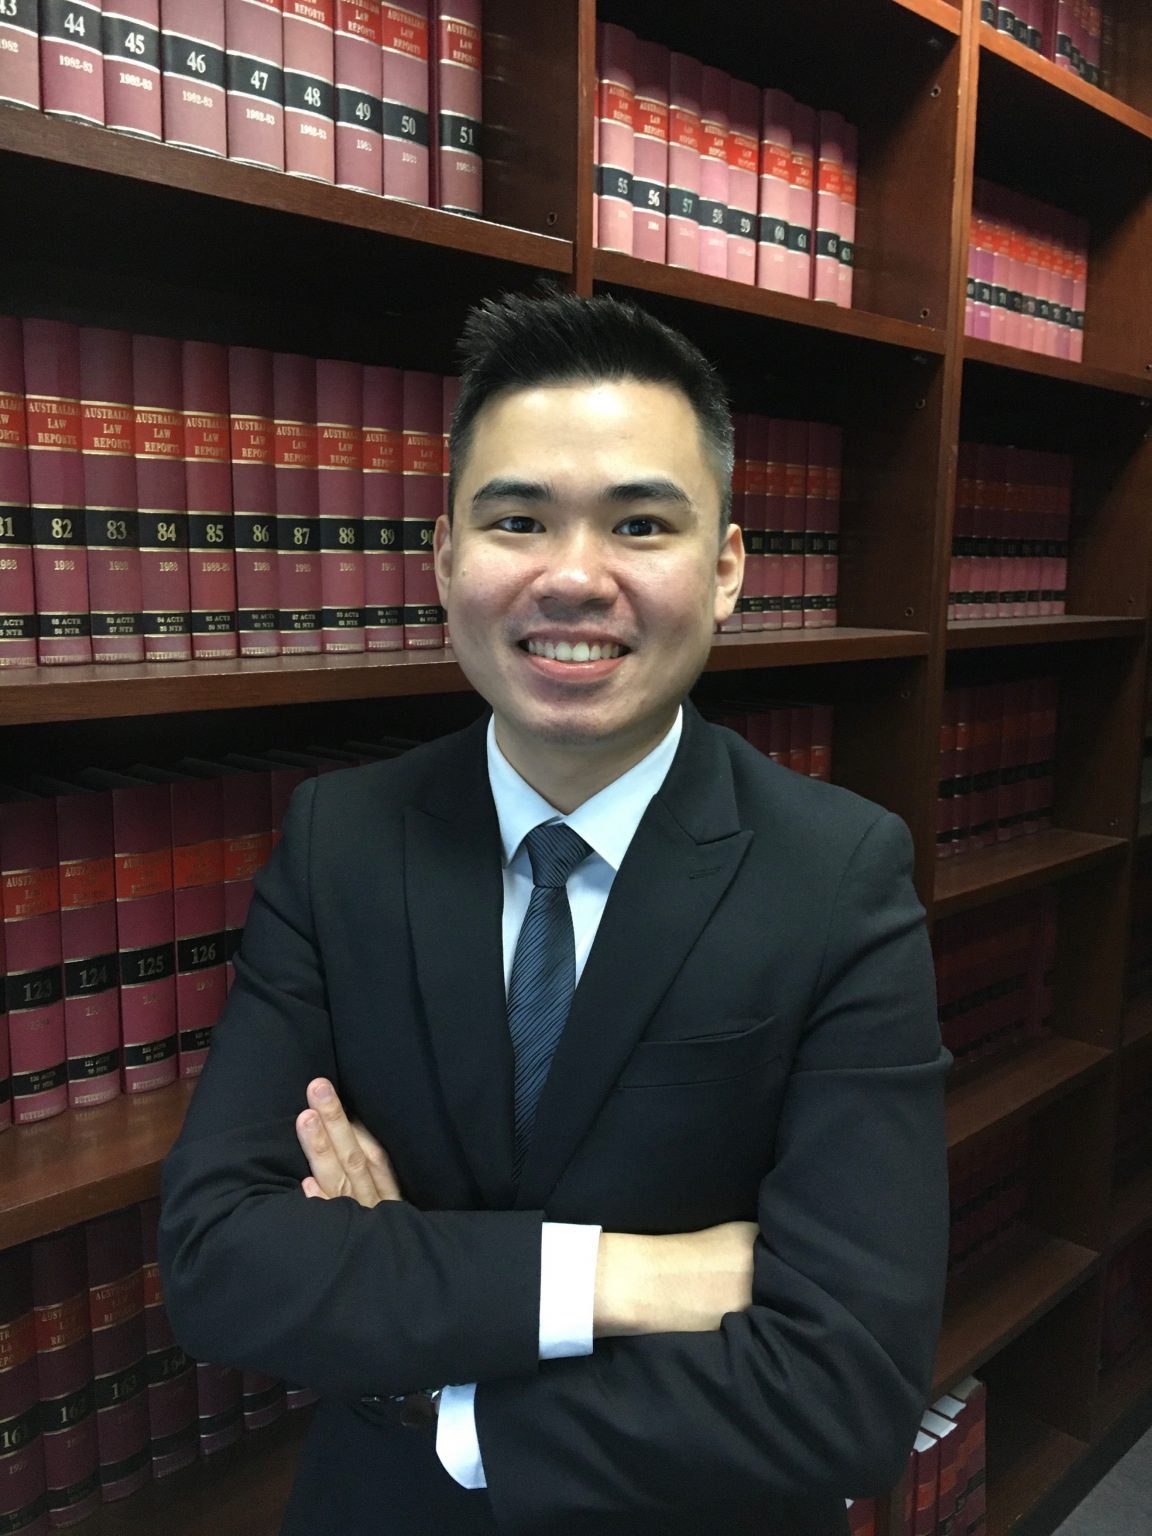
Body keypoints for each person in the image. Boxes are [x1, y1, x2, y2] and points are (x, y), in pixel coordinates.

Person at [158, 288, 952, 1536]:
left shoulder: (839, 873)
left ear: (727, 570)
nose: (574, 578)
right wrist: (626, 1275)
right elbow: (220, 1264)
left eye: (641, 524)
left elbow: (845, 1389)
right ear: (445, 560)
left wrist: (437, 1385)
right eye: (518, 519)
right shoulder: (340, 842)